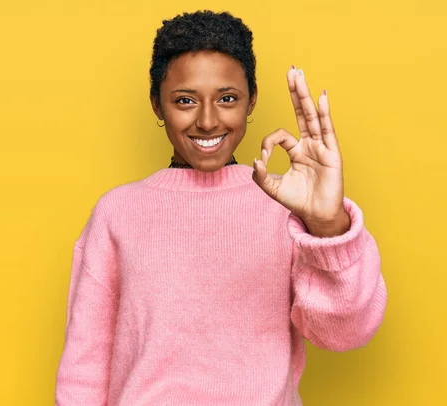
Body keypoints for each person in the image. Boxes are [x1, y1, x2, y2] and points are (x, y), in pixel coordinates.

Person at [55, 10, 387, 405]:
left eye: (227, 98)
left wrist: (327, 225)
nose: (208, 121)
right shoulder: (116, 213)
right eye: (185, 100)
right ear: (157, 106)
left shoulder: (286, 209)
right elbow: (84, 366)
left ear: (252, 100)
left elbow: (345, 333)